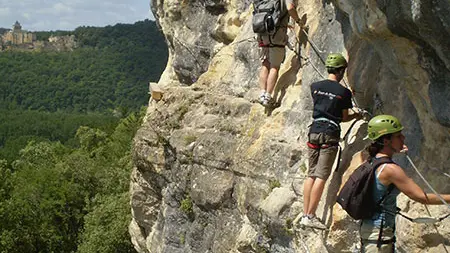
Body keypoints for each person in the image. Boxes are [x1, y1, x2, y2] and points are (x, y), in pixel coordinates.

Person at [360, 114, 450, 252]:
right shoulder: (391, 170)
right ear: (385, 141)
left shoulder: (372, 160)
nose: (403, 138)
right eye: (398, 136)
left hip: (371, 232)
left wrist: (395, 150)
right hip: (379, 237)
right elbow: (422, 197)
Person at [300, 53, 362, 229]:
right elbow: (343, 117)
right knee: (321, 175)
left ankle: (305, 213)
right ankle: (310, 215)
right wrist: (357, 113)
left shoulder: (315, 87)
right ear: (342, 70)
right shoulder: (344, 93)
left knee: (311, 174)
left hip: (314, 130)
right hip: (330, 133)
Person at [257, 0, 301, 106]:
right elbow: (290, 8)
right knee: (274, 67)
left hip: (262, 34)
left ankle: (262, 94)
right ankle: (268, 97)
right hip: (276, 37)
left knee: (265, 64)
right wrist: (298, 21)